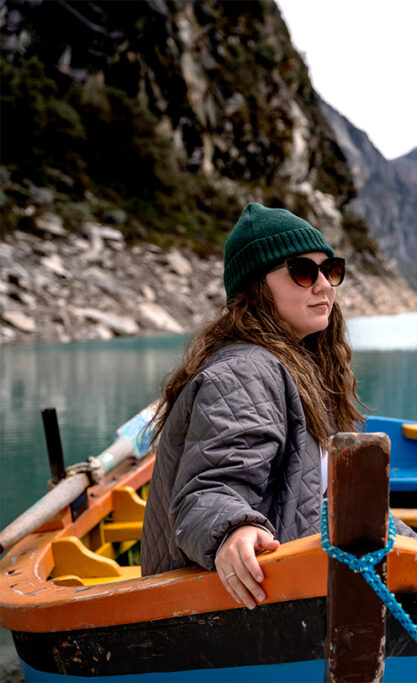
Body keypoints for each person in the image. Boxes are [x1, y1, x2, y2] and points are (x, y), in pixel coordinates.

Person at [141, 202, 367, 609]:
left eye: (330, 269)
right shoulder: (246, 370)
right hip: (235, 607)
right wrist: (234, 531)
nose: (324, 285)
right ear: (256, 288)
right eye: (302, 271)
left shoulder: (300, 366)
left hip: (290, 585)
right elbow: (208, 490)